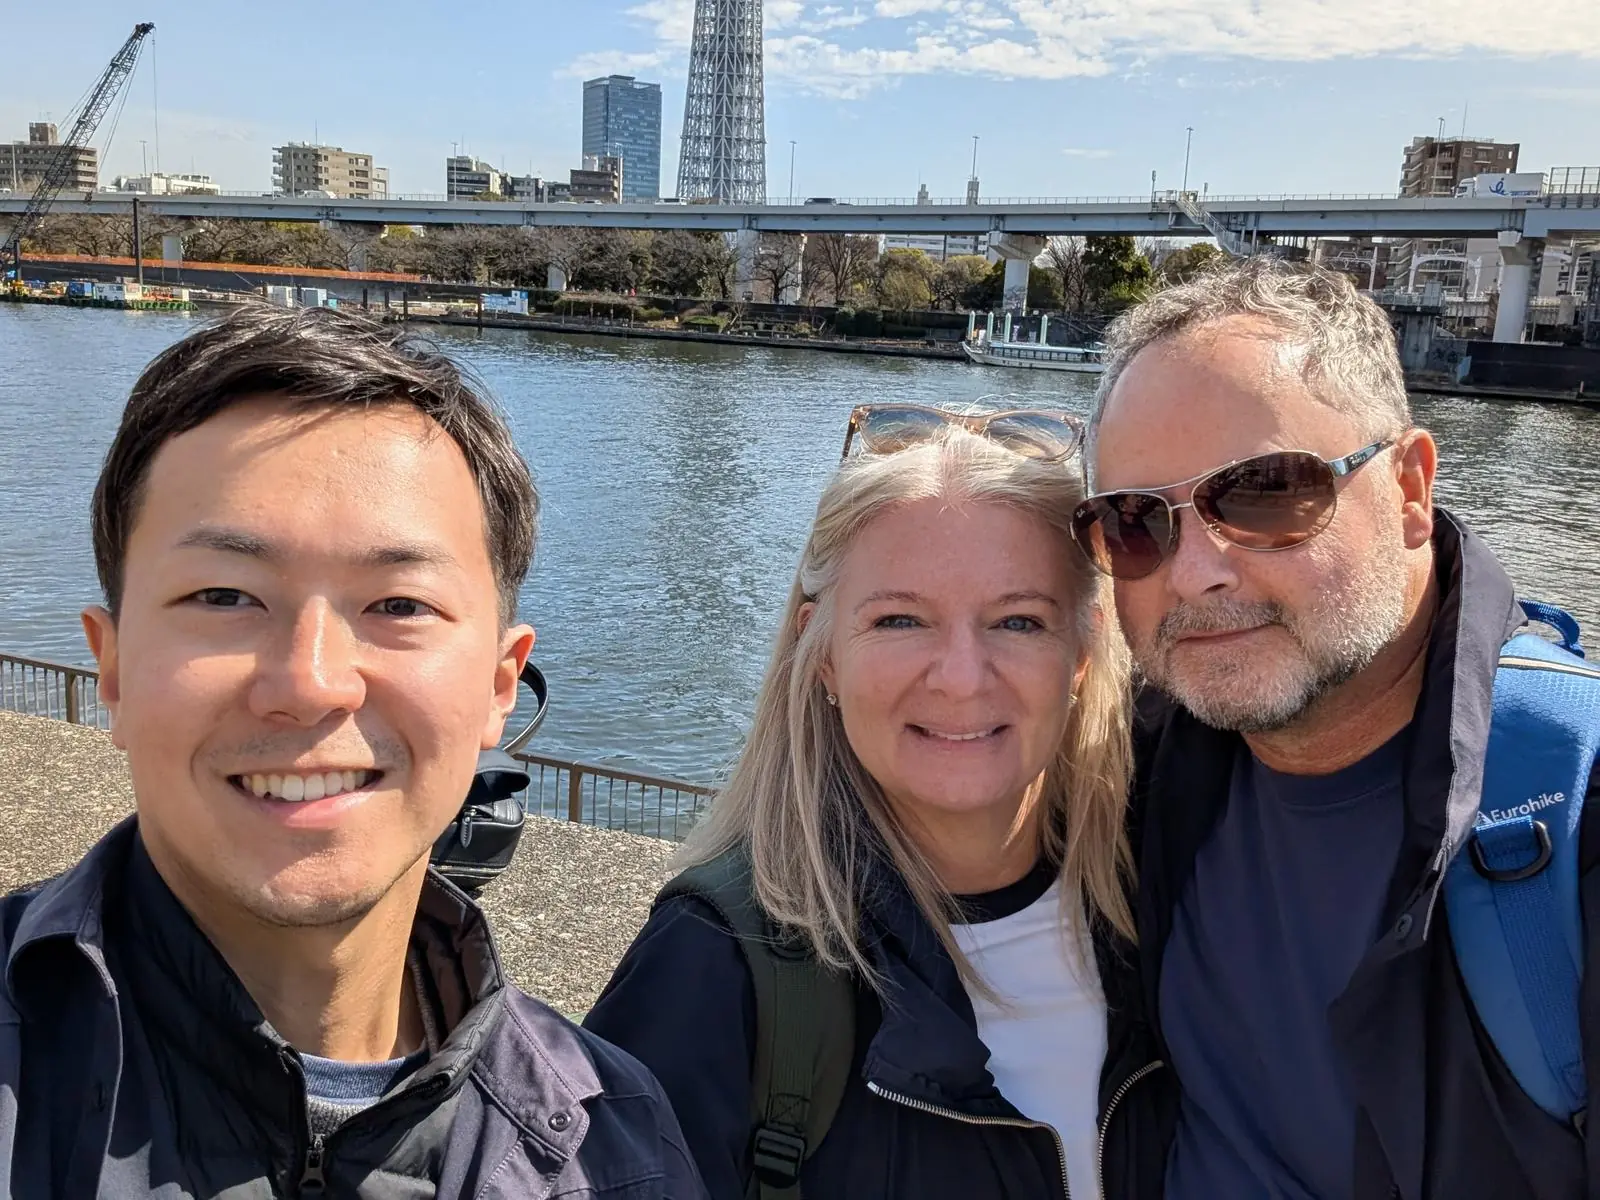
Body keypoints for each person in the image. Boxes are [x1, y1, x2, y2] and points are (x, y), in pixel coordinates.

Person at [0, 305, 705, 1197]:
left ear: (499, 684)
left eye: (399, 605)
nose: (312, 682)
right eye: (224, 595)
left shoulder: (617, 1147)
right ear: (111, 666)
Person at [1072, 257, 1598, 1199]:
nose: (1195, 574)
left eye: (1268, 492)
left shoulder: (1574, 806)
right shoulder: (1130, 767)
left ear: (1408, 490)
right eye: (1135, 522)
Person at [585, 404, 1163, 1199]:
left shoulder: (1171, 906)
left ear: (1083, 652)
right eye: (900, 619)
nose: (961, 676)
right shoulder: (714, 968)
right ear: (821, 654)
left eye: (1019, 621)